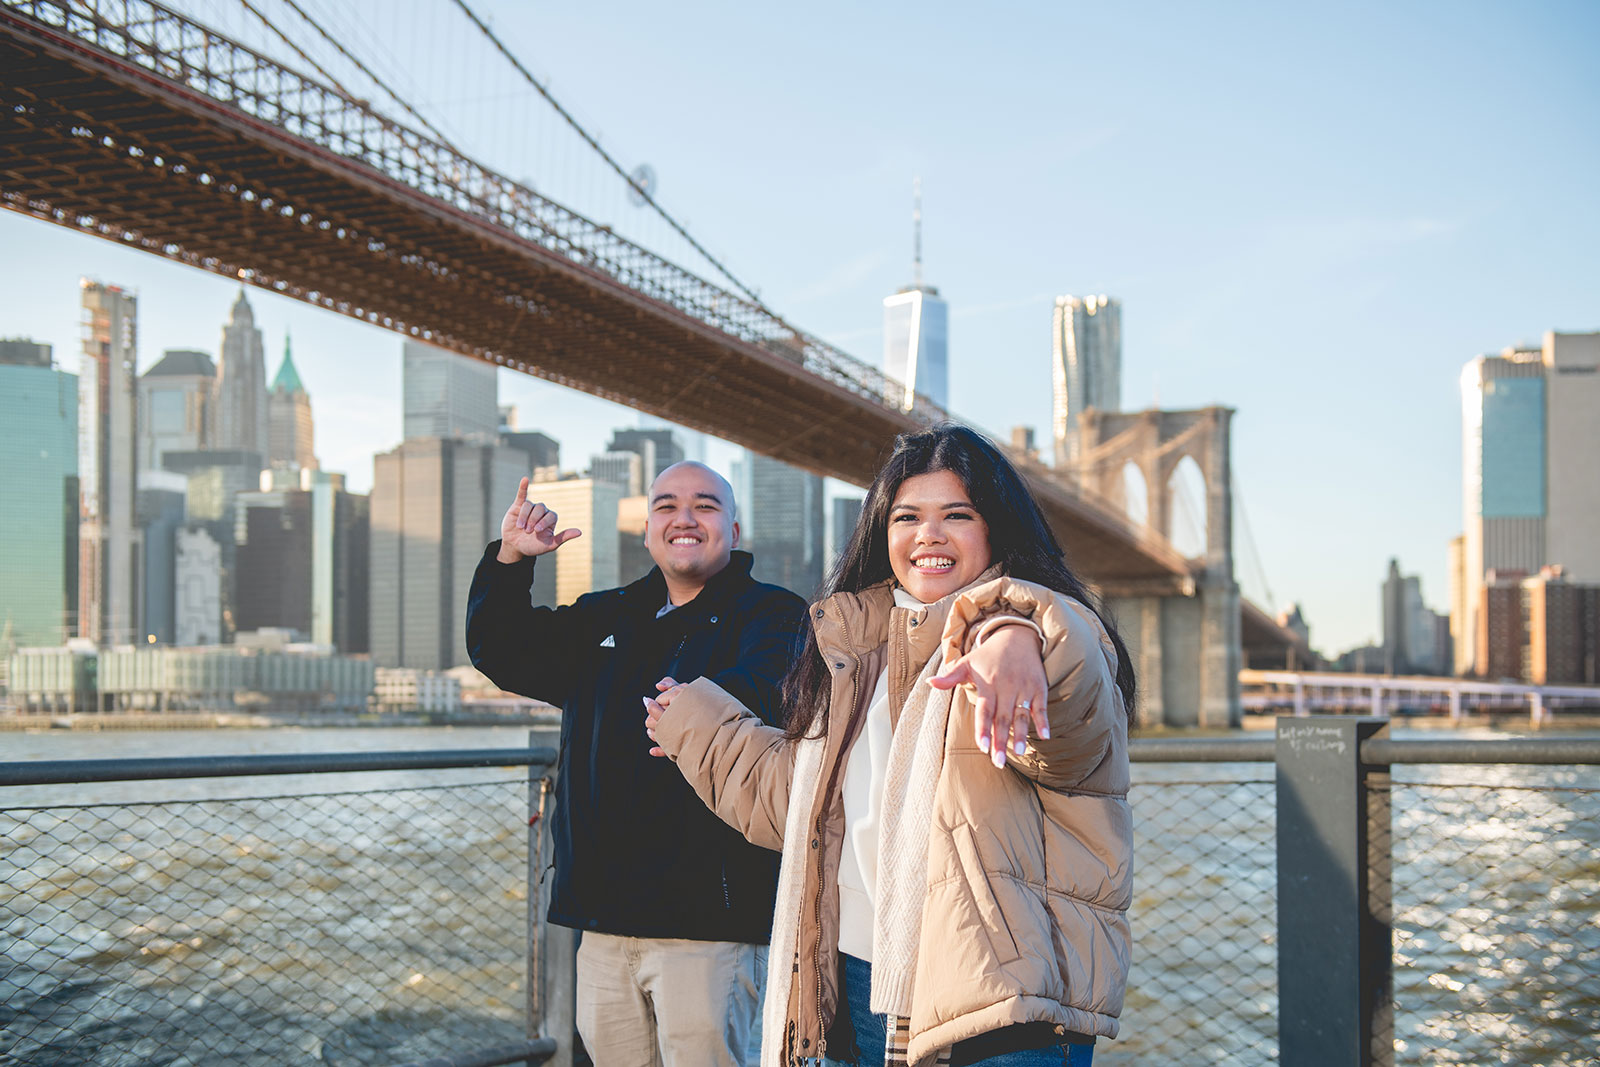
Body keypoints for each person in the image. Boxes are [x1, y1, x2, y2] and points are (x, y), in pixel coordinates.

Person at [644, 425, 1135, 1067]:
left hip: (1000, 1003)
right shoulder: (855, 653)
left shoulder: (1044, 648)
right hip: (852, 982)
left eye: (957, 515)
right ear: (884, 533)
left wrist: (1019, 626)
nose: (929, 535)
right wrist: (697, 724)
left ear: (997, 530)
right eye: (908, 517)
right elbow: (797, 809)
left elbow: (1070, 734)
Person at [467, 461, 807, 1067]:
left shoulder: (776, 616)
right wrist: (512, 561)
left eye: (705, 505)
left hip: (710, 922)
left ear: (734, 526)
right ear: (647, 529)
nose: (684, 518)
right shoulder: (608, 614)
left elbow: (764, 691)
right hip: (602, 917)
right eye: (666, 505)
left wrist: (685, 705)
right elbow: (502, 650)